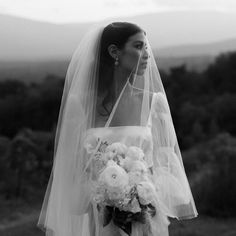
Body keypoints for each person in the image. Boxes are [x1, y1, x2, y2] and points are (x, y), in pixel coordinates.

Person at [38, 22, 198, 236]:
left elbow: (166, 165)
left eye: (147, 47)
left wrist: (139, 193)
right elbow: (72, 170)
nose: (147, 54)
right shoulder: (81, 104)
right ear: (115, 52)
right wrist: (107, 194)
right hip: (99, 220)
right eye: (139, 46)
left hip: (145, 220)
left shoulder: (154, 103)